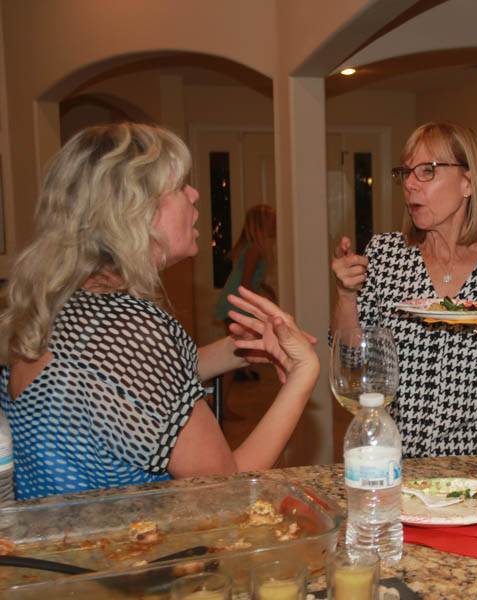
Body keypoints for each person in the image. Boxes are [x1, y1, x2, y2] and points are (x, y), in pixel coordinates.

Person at [0, 123, 319, 500]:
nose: (196, 195)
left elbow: (130, 388)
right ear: (136, 210)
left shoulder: (61, 303)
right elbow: (222, 487)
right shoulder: (130, 329)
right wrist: (304, 372)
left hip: (60, 544)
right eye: (181, 186)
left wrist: (241, 348)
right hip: (122, 552)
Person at [331, 121, 477, 457]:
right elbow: (352, 361)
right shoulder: (385, 254)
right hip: (393, 458)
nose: (410, 185)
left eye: (427, 171)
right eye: (406, 172)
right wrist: (345, 293)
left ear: (468, 182)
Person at [213, 204, 277, 418]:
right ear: (261, 226)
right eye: (272, 223)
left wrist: (267, 289)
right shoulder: (254, 249)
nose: (275, 226)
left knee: (234, 353)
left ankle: (220, 403)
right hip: (237, 303)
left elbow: (253, 279)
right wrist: (260, 308)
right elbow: (246, 282)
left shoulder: (254, 247)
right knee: (233, 355)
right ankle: (220, 405)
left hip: (236, 300)